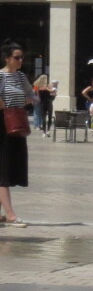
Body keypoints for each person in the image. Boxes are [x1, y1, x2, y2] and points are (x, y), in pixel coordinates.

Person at [0, 42, 35, 227]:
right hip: (2, 125)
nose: (20, 61)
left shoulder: (21, 77)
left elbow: (33, 96)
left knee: (11, 166)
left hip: (16, 123)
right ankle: (11, 215)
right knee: (2, 170)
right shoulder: (0, 76)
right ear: (7, 58)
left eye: (22, 57)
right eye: (17, 57)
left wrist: (28, 99)